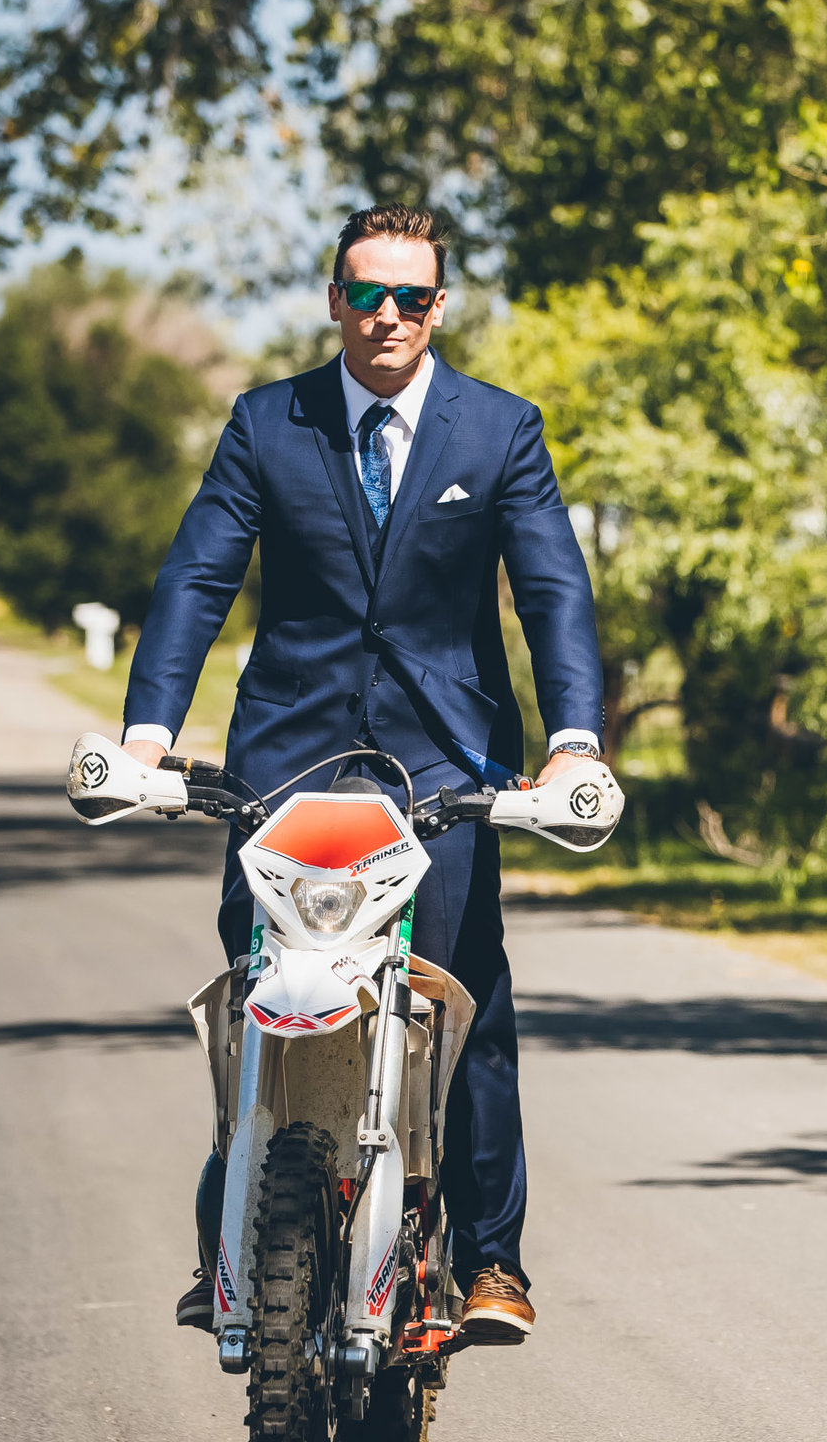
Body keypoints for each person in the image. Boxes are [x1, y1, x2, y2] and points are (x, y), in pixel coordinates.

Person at [121, 204, 603, 1347]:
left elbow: (552, 591)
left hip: (446, 758)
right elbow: (199, 578)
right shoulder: (265, 424)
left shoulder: (499, 432)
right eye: (368, 293)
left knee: (456, 988)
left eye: (414, 297)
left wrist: (572, 740)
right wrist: (149, 731)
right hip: (287, 761)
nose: (390, 316)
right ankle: (231, 1240)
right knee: (257, 984)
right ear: (334, 299)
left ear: (440, 307)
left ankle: (489, 1258)